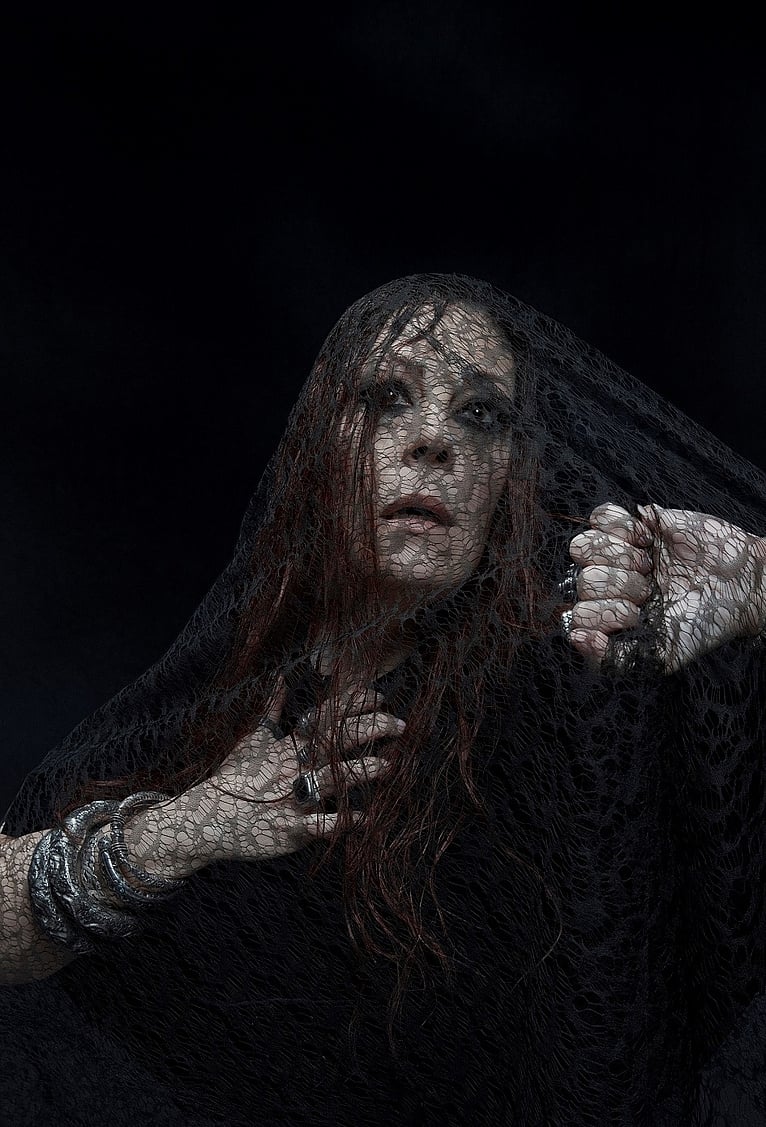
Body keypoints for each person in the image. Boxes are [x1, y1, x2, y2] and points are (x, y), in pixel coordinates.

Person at [1, 273, 765, 1125]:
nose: (434, 438)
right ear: (317, 450)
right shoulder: (214, 705)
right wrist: (190, 826)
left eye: (482, 414)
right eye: (386, 397)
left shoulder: (582, 688)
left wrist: (758, 585)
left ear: (511, 474)